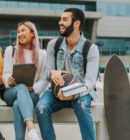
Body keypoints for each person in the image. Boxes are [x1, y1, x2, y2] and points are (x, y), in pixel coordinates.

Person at [35, 8, 99, 140]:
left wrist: (72, 93)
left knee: (82, 106)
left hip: (81, 93)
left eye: (64, 19)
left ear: (76, 23)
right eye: (60, 19)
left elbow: (90, 82)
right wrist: (52, 72)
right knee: (41, 107)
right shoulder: (54, 44)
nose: (60, 22)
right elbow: (47, 74)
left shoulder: (91, 48)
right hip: (56, 92)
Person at [2, 21, 48, 140]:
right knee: (21, 87)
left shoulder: (42, 54)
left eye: (23, 31)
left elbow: (45, 78)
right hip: (11, 92)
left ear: (32, 33)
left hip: (31, 93)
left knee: (18, 104)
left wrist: (34, 88)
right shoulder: (10, 50)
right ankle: (31, 129)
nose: (19, 34)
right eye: (18, 32)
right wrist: (9, 80)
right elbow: (5, 73)